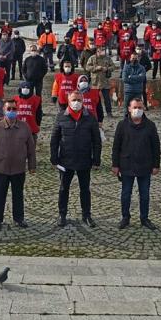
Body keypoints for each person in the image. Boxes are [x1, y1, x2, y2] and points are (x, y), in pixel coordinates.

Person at [51, 91, 101, 228]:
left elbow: (97, 140)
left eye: (79, 100)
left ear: (83, 101)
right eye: (74, 99)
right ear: (68, 100)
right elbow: (54, 138)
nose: (76, 102)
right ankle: (62, 215)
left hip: (84, 160)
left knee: (85, 189)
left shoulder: (90, 117)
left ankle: (87, 215)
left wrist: (96, 159)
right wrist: (54, 157)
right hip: (65, 161)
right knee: (63, 189)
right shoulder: (61, 116)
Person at [0, 98, 37, 230]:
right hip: (0, 169)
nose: (11, 111)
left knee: (18, 195)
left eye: (14, 109)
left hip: (18, 169)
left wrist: (32, 165)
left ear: (18, 110)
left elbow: (31, 148)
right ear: (3, 110)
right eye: (8, 109)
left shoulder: (25, 127)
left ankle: (18, 218)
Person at [112, 98, 160, 230]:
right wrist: (115, 165)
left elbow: (156, 146)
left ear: (143, 109)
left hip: (145, 165)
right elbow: (116, 146)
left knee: (144, 194)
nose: (137, 110)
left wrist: (156, 165)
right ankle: (125, 217)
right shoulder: (122, 125)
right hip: (126, 165)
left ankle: (144, 218)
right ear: (129, 108)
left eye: (140, 107)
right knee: (126, 193)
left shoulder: (150, 125)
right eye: (135, 107)